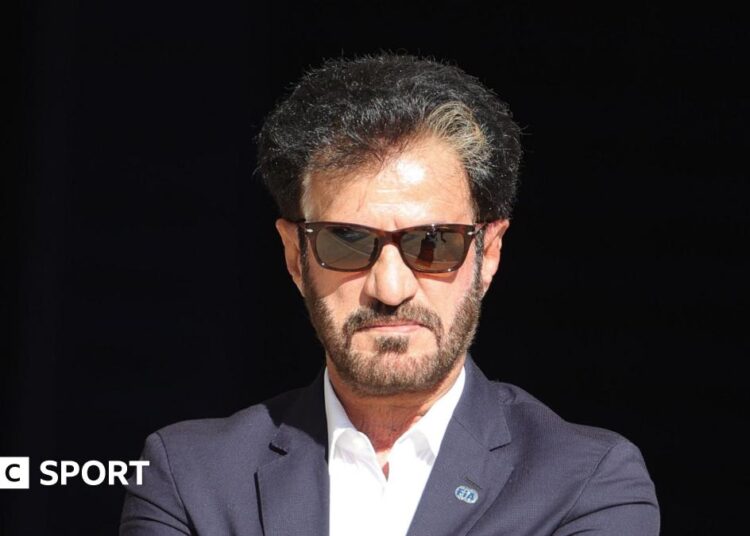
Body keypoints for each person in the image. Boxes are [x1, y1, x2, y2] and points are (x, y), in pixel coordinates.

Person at [120, 54, 659, 536]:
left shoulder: (585, 483)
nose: (391, 288)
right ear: (294, 256)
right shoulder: (191, 476)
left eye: (433, 243)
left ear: (488, 254)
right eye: (347, 241)